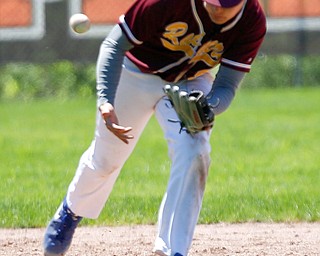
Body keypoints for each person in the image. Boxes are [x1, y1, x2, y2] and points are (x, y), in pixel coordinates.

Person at [43, 0, 266, 255]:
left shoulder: (252, 20)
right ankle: (71, 211)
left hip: (191, 81)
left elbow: (227, 84)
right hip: (136, 72)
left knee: (195, 151)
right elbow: (114, 45)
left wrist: (208, 107)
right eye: (211, 2)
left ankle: (173, 249)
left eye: (225, 5)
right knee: (106, 159)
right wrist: (105, 99)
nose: (217, 8)